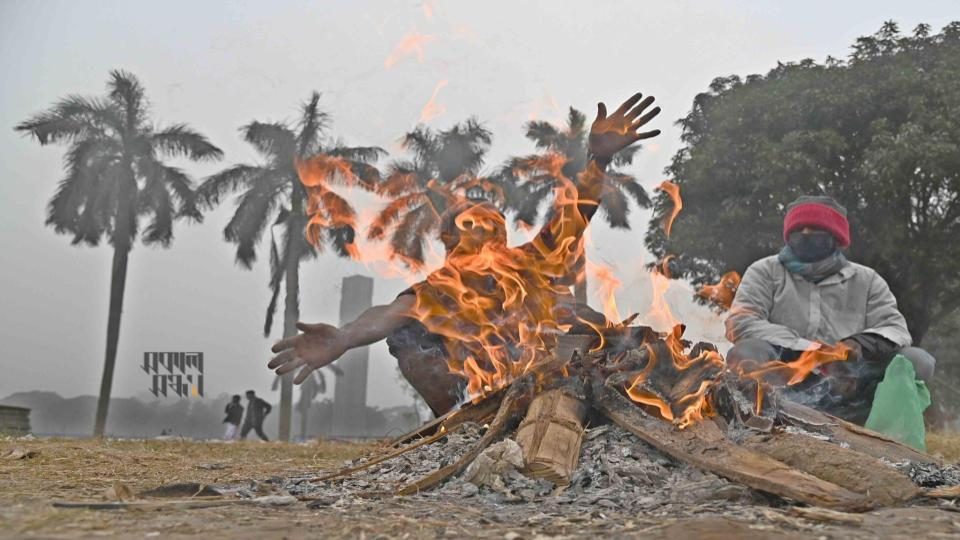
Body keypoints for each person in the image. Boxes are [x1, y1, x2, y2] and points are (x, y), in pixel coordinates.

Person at [269, 91, 663, 416]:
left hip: (563, 384)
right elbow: (387, 315)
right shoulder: (438, 290)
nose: (486, 230)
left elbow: (574, 213)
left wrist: (600, 159)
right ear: (448, 239)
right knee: (407, 335)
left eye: (495, 224)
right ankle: (464, 420)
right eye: (472, 223)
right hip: (488, 397)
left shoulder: (529, 263)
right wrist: (344, 336)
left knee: (588, 321)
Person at [725, 195, 936, 424]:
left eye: (815, 229)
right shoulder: (764, 271)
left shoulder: (867, 280)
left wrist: (858, 345)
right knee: (746, 352)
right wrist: (816, 351)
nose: (806, 234)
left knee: (917, 360)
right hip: (786, 374)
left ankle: (881, 427)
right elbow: (742, 321)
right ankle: (762, 421)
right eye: (799, 230)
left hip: (849, 378)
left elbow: (896, 329)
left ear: (836, 237)